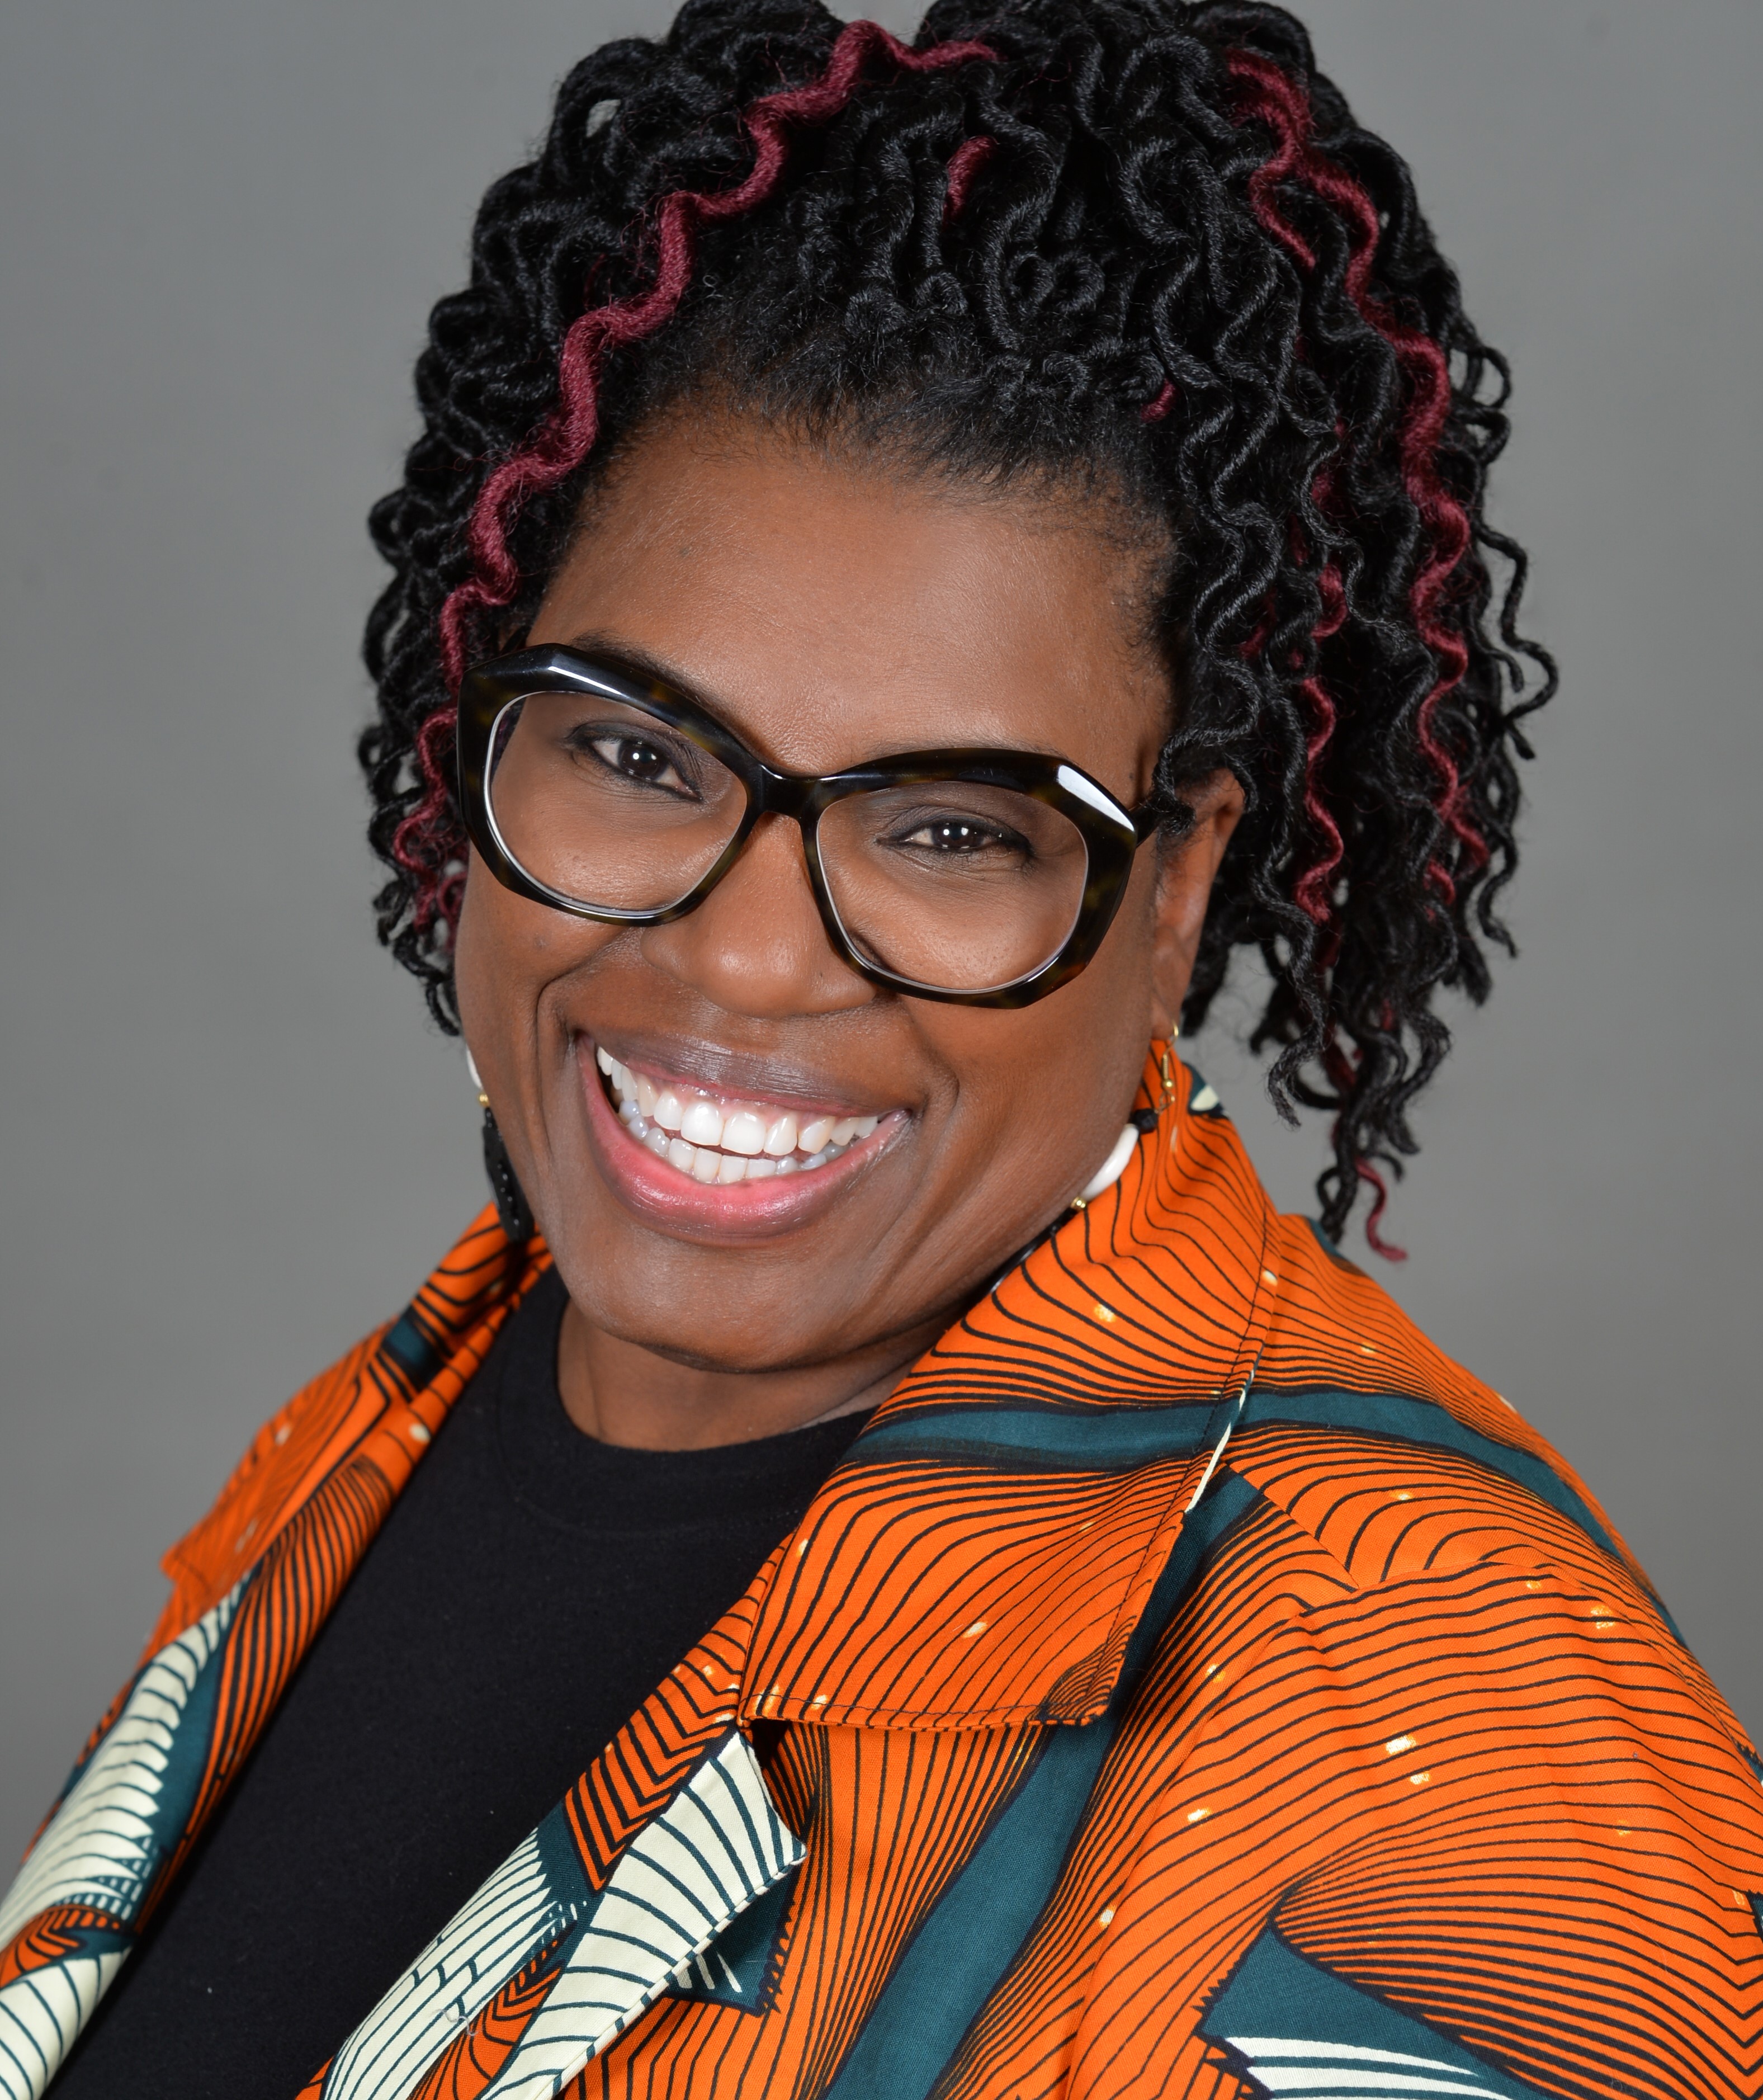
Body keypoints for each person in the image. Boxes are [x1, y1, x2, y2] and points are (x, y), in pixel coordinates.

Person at [4, 1, 1758, 2093]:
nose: (746, 960)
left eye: (947, 829)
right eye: (640, 751)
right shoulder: (385, 1432)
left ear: (1177, 881)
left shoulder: (1448, 1749)